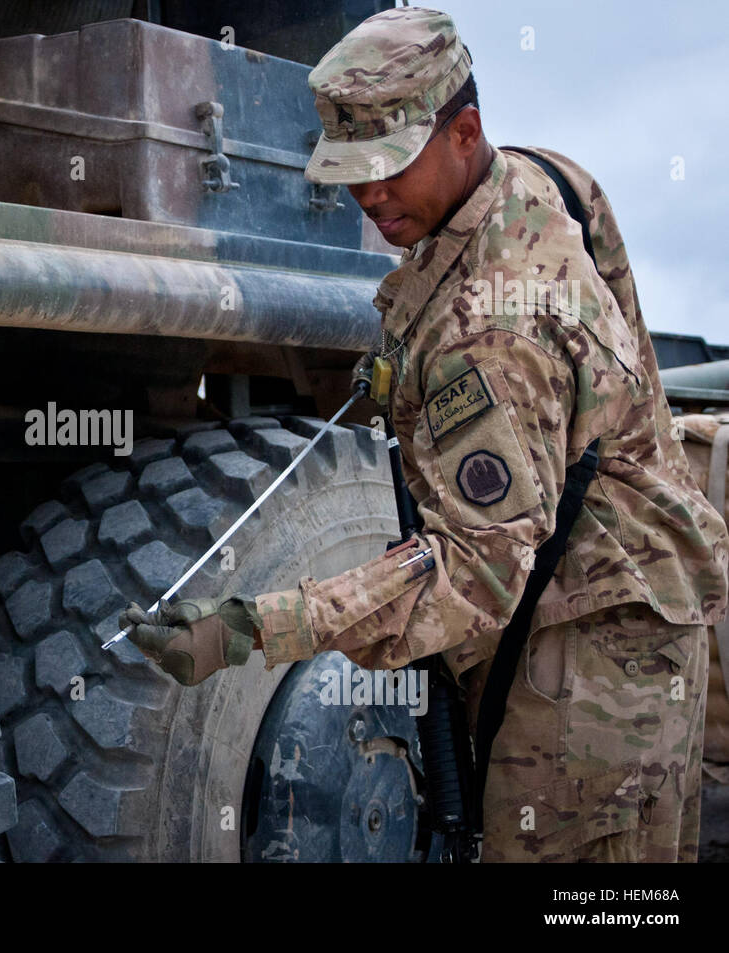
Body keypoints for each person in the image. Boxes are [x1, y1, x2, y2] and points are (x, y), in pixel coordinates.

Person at [120, 6, 729, 862]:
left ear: (464, 131)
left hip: (591, 675)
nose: (367, 195)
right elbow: (623, 385)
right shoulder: (546, 180)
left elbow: (472, 574)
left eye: (387, 167)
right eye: (349, 171)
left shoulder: (497, 332)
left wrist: (256, 627)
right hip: (622, 618)